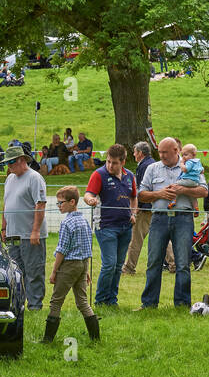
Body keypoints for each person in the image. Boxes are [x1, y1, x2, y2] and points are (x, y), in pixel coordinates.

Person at [137, 137, 206, 308]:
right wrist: (159, 194)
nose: (161, 155)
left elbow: (204, 190)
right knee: (154, 261)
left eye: (165, 152)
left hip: (183, 218)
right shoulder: (152, 168)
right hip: (159, 218)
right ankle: (149, 304)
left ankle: (182, 304)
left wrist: (183, 190)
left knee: (183, 263)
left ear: (176, 151)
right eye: (159, 152)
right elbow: (141, 194)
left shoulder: (191, 165)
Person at [44, 186, 100, 343]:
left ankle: (47, 339)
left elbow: (62, 250)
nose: (59, 206)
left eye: (60, 203)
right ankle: (95, 338)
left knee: (56, 301)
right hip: (82, 264)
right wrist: (85, 270)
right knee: (82, 302)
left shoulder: (67, 223)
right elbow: (87, 248)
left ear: (72, 202)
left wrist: (54, 271)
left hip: (69, 266)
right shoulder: (84, 221)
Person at [83, 144, 137, 307]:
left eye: (114, 163)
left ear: (123, 162)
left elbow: (134, 197)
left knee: (118, 265)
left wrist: (133, 213)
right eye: (108, 162)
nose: (110, 166)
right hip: (105, 226)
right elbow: (88, 194)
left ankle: (112, 300)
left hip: (125, 226)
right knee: (109, 264)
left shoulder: (130, 176)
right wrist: (90, 200)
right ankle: (100, 300)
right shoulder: (98, 175)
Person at [0, 145, 47, 310]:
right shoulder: (9, 179)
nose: (9, 166)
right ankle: (17, 304)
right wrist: (4, 228)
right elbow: (6, 204)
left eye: (11, 162)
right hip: (13, 235)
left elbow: (40, 205)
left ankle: (35, 305)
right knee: (16, 272)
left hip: (30, 235)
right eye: (7, 163)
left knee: (33, 271)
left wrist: (35, 231)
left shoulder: (35, 178)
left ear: (21, 160)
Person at [123, 142, 156, 275]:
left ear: (141, 153)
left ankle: (129, 267)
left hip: (145, 207)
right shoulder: (154, 163)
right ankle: (174, 264)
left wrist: (137, 208)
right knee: (160, 237)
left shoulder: (144, 166)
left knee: (136, 239)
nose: (134, 154)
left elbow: (142, 189)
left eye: (135, 152)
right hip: (155, 206)